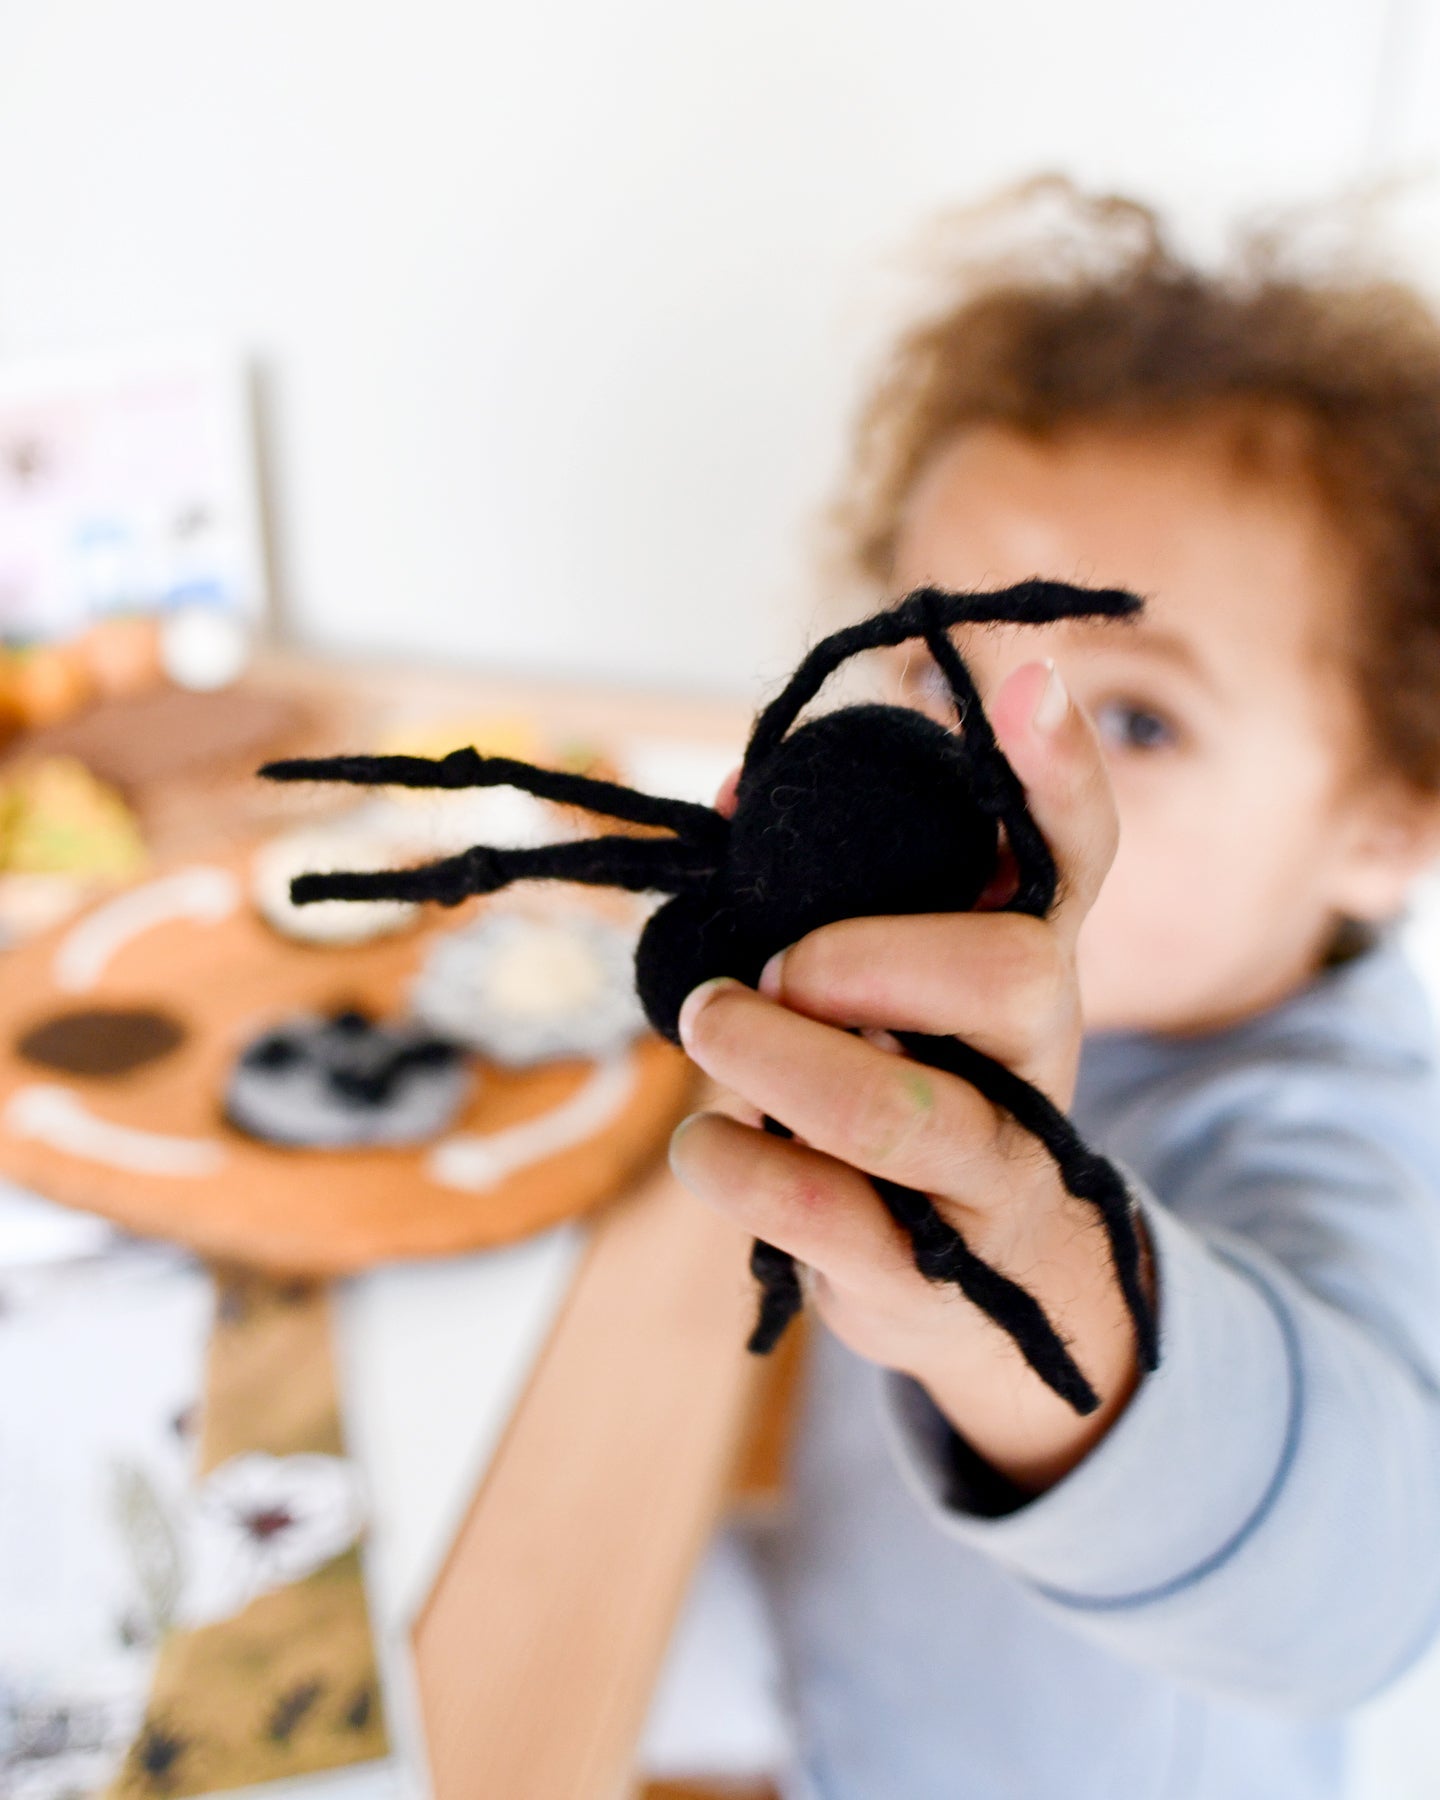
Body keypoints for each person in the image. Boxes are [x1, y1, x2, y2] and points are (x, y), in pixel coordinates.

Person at [665, 179, 1440, 1797]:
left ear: (1388, 820)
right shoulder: (934, 1005)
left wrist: (1030, 1286)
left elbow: (1359, 1584)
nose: (988, 783)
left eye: (1140, 725)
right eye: (934, 671)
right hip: (854, 1686)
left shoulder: (1337, 1127)